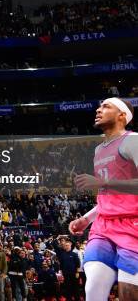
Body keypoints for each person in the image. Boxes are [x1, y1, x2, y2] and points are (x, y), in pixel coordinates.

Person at [69, 98, 138, 301]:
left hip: (132, 224)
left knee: (129, 293)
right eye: (99, 106)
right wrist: (86, 219)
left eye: (106, 106)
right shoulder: (99, 150)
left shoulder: (132, 140)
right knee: (93, 289)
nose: (99, 109)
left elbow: (105, 184)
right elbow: (109, 196)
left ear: (122, 116)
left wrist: (103, 182)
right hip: (103, 226)